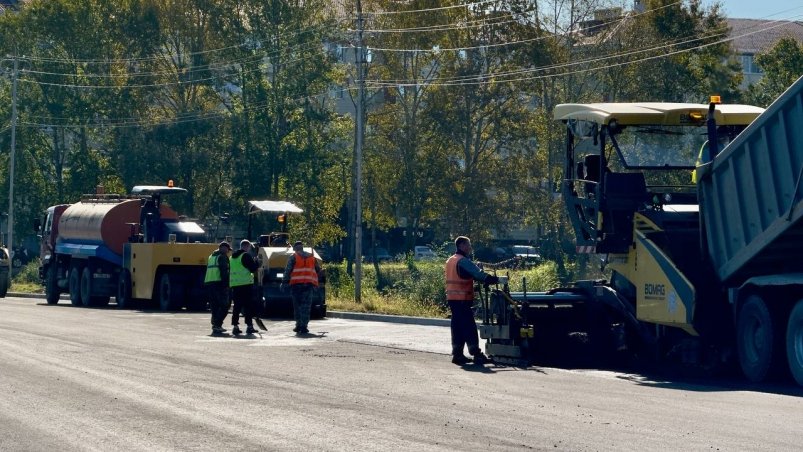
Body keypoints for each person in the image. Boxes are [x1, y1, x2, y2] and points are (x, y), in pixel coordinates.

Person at [445, 236, 498, 365]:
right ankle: (476, 354)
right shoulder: (463, 261)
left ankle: (457, 354)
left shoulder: (450, 260)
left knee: (457, 327)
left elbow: (461, 277)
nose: (470, 247)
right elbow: (479, 274)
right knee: (469, 326)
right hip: (462, 300)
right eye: (468, 245)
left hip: (452, 299)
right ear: (462, 245)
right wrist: (492, 279)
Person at [282, 240, 322, 335]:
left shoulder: (293, 257)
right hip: (308, 285)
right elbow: (318, 270)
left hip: (296, 286)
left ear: (295, 249)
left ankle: (298, 325)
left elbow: (288, 271)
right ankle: (304, 326)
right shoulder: (312, 257)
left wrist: (284, 282)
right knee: (306, 307)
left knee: (297, 306)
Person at [229, 239, 260, 335]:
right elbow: (253, 268)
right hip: (245, 284)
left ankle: (235, 326)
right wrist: (257, 262)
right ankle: (249, 326)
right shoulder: (245, 255)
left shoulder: (232, 258)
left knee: (237, 306)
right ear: (247, 246)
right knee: (248, 306)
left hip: (235, 285)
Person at [205, 241, 231, 335]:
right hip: (219, 284)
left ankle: (215, 325)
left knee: (214, 306)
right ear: (224, 248)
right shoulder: (222, 257)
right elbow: (224, 272)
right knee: (225, 305)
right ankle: (217, 324)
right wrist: (226, 285)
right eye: (228, 249)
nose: (228, 252)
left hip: (209, 283)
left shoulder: (211, 256)